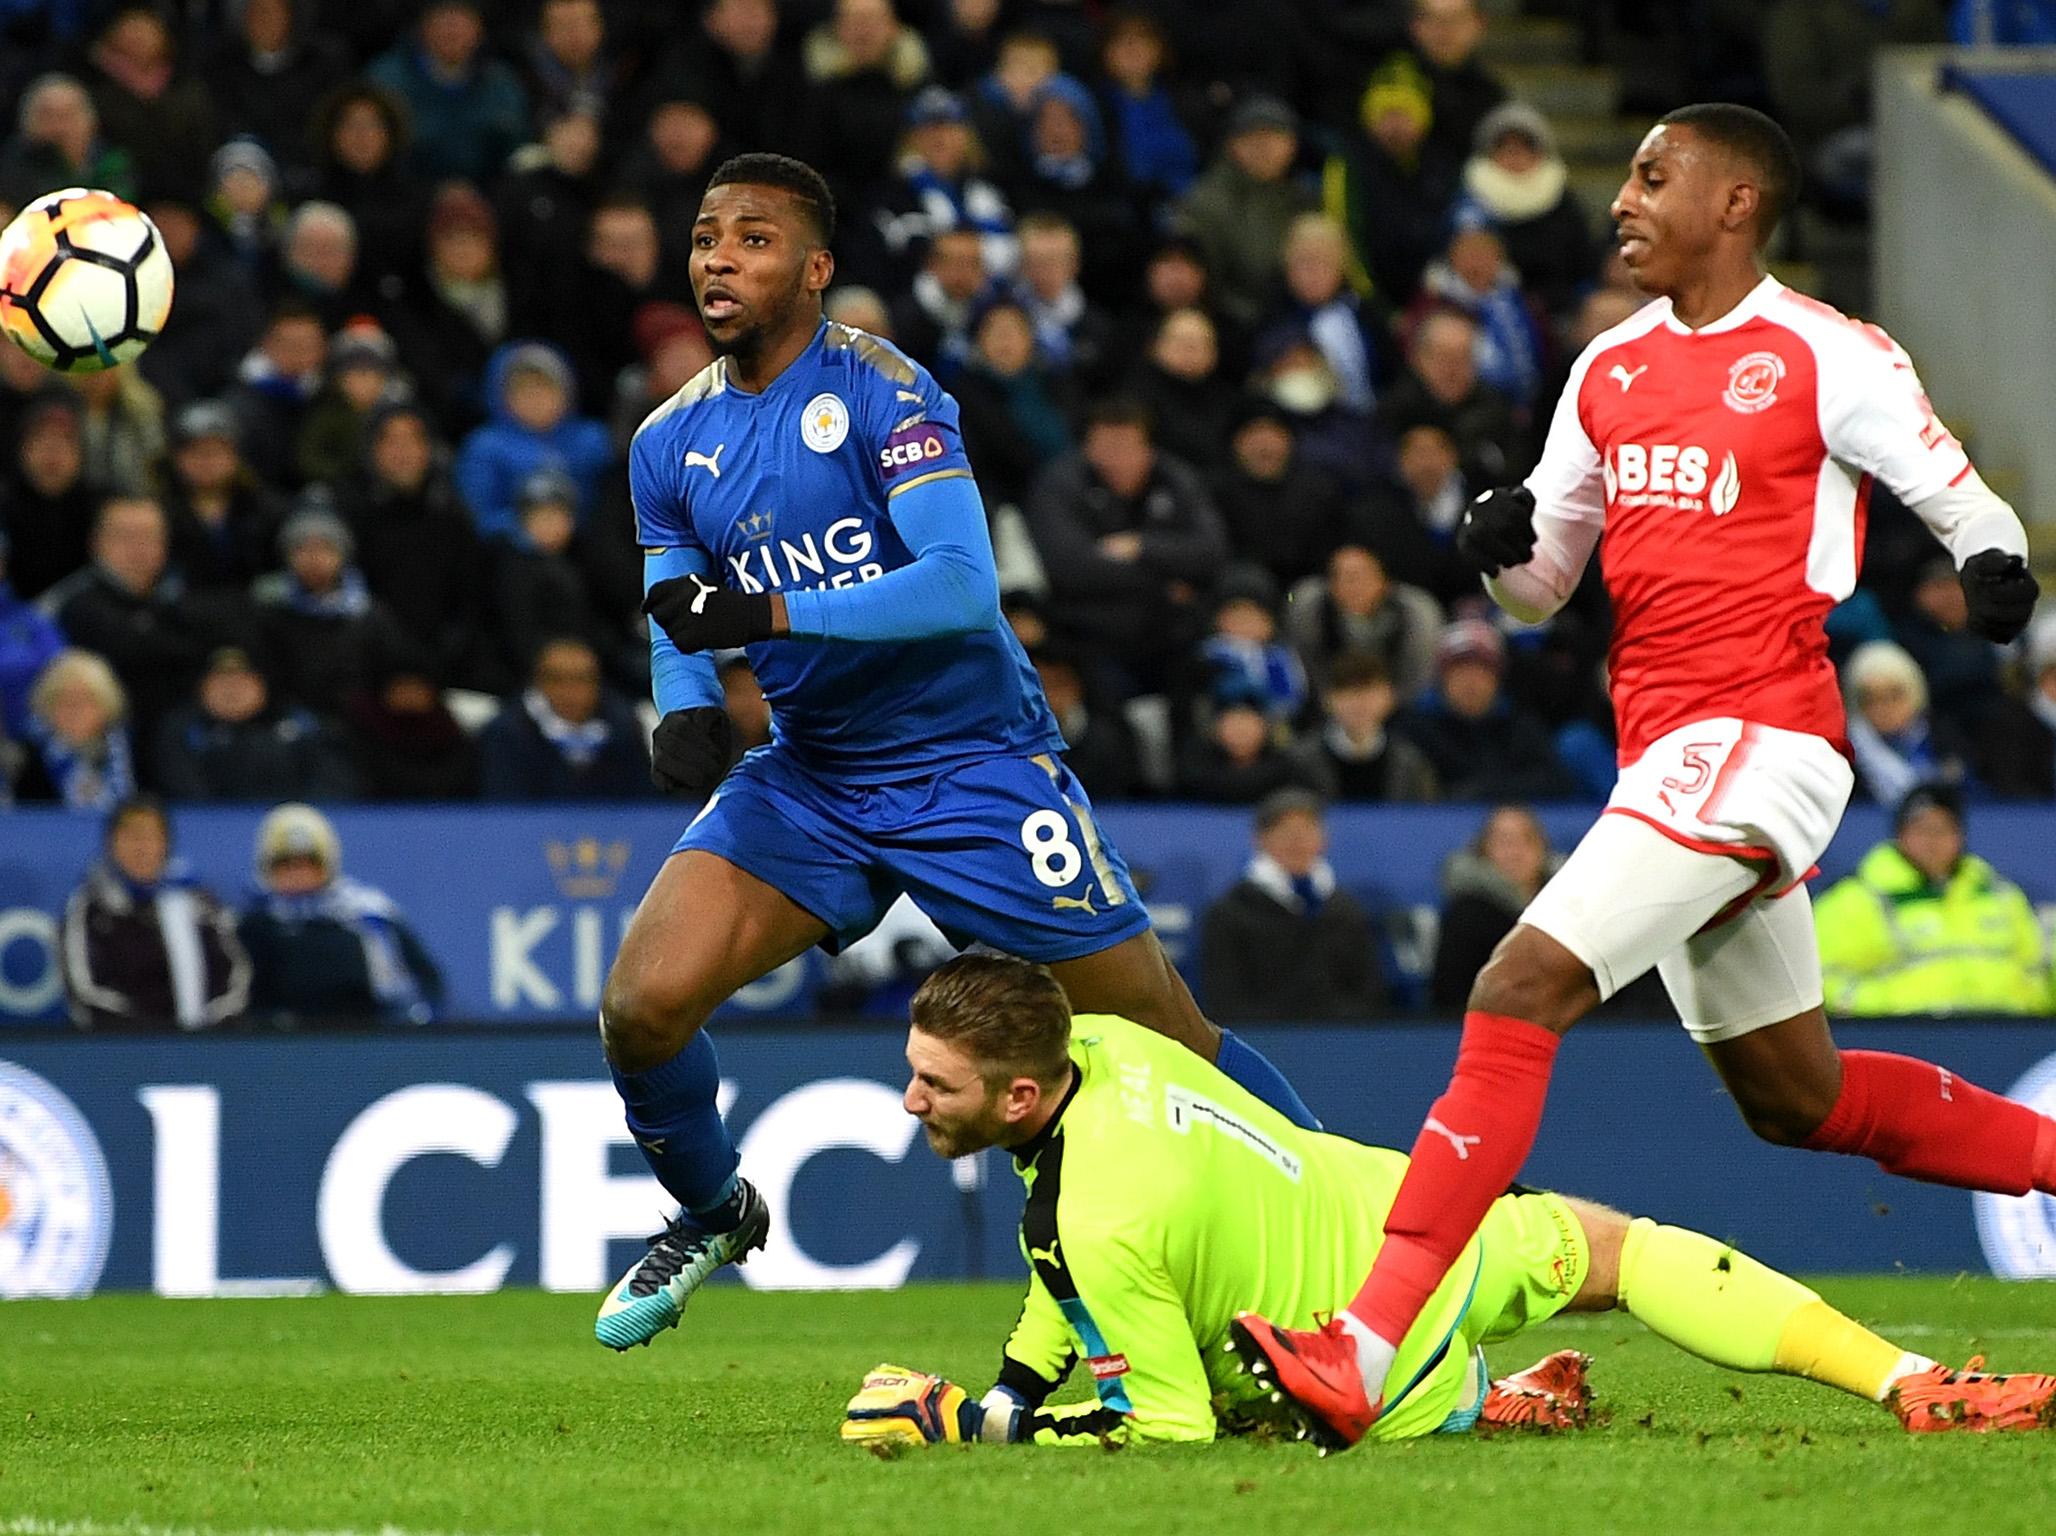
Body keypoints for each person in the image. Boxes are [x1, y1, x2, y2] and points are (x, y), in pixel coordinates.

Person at [1233, 103, 2055, 1450]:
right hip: (1670, 750)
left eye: (1650, 175)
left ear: (1736, 203)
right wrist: (1500, 545)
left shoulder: (1822, 353)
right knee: (1801, 1099)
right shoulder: (1607, 369)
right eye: (1628, 175)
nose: (1620, 198)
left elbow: (1957, 491)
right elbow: (1548, 587)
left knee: (1517, 984)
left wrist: (1992, 566)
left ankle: (1362, 1349)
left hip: (1762, 739)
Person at [597, 152, 1317, 1353]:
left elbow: (958, 587)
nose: (719, 257)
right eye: (707, 236)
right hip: (815, 772)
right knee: (641, 1006)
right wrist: (683, 704)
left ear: (816, 269)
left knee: (1165, 1044)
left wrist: (764, 621)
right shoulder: (669, 442)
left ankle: (1365, 1245)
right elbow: (678, 604)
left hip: (971, 763)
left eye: (754, 239)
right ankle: (712, 1210)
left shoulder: (888, 391)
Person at [841, 955, 2055, 1448]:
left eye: (930, 1083)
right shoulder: (1099, 1040)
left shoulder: (1097, 1219)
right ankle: (1911, 1382)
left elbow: (1165, 1435)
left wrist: (977, 1422)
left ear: (1014, 1100)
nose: (905, 1100)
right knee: (1627, 1251)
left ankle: (1479, 1400)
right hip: (1420, 1223)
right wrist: (1010, 1374)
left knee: (1243, 1398)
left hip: (1361, 1362)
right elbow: (1070, 1271)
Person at [1023, 397, 1226, 698]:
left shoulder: (1175, 478)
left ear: (1147, 448)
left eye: (1124, 447)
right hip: (1090, 636)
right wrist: (1164, 582)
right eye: (1103, 447)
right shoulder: (1060, 484)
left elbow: (1212, 550)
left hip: (1171, 633)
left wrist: (1142, 547)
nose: (1112, 459)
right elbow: (1069, 568)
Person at [1814, 783, 2054, 1016]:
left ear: (1960, 836)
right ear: (1900, 835)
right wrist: (1892, 1009)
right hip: (1906, 1038)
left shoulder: (2001, 895)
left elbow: (2040, 969)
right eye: (1922, 829)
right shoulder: (1855, 900)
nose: (1933, 841)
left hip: (2010, 1036)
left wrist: (2027, 1005)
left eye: (1943, 830)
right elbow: (1822, 981)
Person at [238, 802, 442, 1025]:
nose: (297, 874)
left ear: (327, 864)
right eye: (286, 864)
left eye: (307, 864)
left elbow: (424, 988)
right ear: (266, 868)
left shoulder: (368, 917)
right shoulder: (250, 925)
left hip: (362, 1038)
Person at [60, 797, 250, 1032]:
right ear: (111, 844)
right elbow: (85, 991)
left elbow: (235, 976)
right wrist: (149, 1035)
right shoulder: (90, 907)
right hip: (121, 1050)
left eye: (151, 837)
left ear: (166, 844)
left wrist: (208, 1030)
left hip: (202, 1048)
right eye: (131, 837)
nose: (141, 848)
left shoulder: (198, 902)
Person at [1201, 789, 1386, 1021]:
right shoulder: (1231, 912)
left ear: (1323, 839)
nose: (1297, 842)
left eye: (1307, 830)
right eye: (1286, 831)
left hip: (1343, 1042)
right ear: (1261, 839)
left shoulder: (1346, 910)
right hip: (1264, 1041)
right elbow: (1225, 998)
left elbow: (1369, 993)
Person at [1394, 617, 1577, 801]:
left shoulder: (1520, 727)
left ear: (1498, 678)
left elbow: (1554, 782)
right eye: (1460, 670)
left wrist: (1485, 791)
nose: (1471, 682)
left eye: (1482, 671)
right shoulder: (1414, 729)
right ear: (1442, 678)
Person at [155, 646, 357, 804]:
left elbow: (334, 781)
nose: (231, 690)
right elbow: (186, 792)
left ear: (261, 684)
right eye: (221, 681)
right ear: (201, 687)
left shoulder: (302, 726)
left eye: (241, 680)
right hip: (216, 831)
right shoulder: (183, 730)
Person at [477, 636, 655, 800]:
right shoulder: (506, 733)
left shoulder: (626, 728)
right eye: (557, 679)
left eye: (582, 679)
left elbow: (645, 804)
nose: (570, 691)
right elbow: (503, 808)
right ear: (538, 682)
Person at [1429, 804, 1558, 1010]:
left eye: (1527, 839)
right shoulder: (1466, 916)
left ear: (1543, 848)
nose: (1515, 852)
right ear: (1483, 850)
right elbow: (1449, 995)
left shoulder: (1567, 909)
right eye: (1504, 841)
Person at [1291, 650, 1438, 803]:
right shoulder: (1299, 762)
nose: (1360, 702)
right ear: (1328, 700)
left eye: (1369, 691)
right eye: (1348, 691)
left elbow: (1423, 816)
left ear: (1389, 697)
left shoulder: (1410, 763)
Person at [1843, 639, 1975, 806]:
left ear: (1915, 693)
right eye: (1870, 700)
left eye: (1894, 696)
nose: (1884, 709)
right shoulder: (1845, 759)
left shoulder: (1947, 741)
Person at [16, 649, 136, 812]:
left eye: (86, 700)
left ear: (107, 707)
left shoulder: (132, 753)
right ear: (46, 708)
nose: (75, 710)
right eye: (64, 701)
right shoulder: (25, 760)